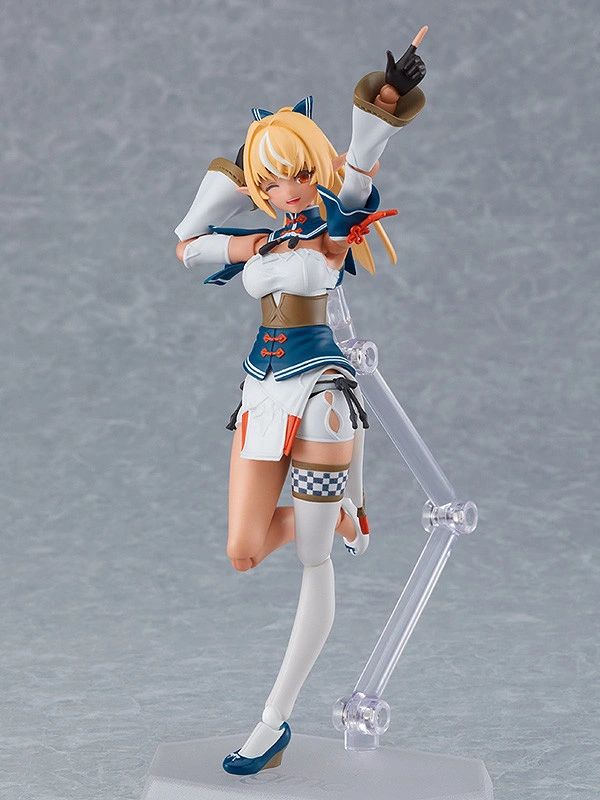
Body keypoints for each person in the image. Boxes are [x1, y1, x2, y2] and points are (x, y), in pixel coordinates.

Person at [174, 29, 428, 775]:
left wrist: (383, 101)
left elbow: (359, 176)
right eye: (272, 179)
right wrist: (235, 183)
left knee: (314, 563)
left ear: (315, 168)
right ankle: (340, 506)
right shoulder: (262, 238)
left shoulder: (330, 224)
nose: (288, 189)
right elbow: (186, 244)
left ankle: (272, 720)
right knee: (244, 550)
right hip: (260, 392)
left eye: (298, 173)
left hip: (320, 396)